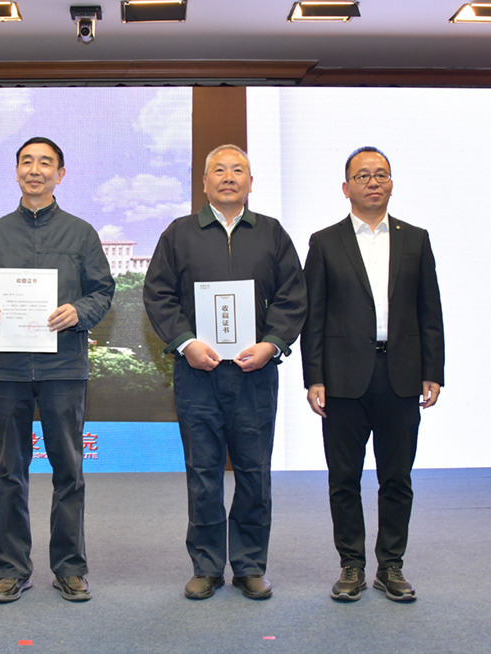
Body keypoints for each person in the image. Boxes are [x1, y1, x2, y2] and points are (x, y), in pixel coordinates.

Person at [143, 145, 307, 601]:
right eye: (219, 170)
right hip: (198, 374)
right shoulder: (179, 234)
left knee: (254, 472)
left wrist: (271, 344)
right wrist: (186, 342)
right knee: (203, 472)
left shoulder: (272, 234)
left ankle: (250, 565)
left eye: (238, 170)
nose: (229, 177)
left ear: (251, 183)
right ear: (204, 182)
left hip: (255, 374)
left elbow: (293, 297)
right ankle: (207, 565)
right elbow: (158, 294)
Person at [0, 137, 114, 604]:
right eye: (27, 162)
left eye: (45, 162)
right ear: (16, 172)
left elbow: (103, 291)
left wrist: (79, 311)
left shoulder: (81, 233)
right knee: (10, 472)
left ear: (60, 174)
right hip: (6, 370)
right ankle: (12, 569)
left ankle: (70, 567)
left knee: (68, 470)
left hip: (63, 368)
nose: (35, 169)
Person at [301, 146, 444, 603]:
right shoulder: (325, 242)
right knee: (344, 478)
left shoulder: (415, 239)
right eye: (363, 175)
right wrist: (313, 376)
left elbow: (430, 311)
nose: (373, 182)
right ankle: (352, 565)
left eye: (381, 174)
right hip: (342, 379)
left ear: (392, 184)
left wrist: (433, 370)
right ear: (346, 188)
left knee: (396, 478)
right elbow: (313, 316)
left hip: (400, 374)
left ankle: (391, 566)